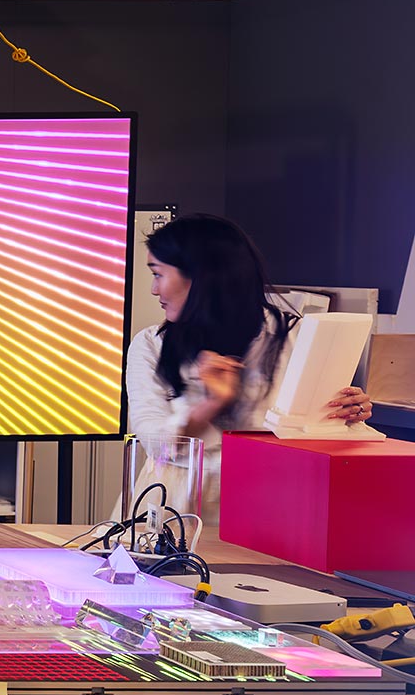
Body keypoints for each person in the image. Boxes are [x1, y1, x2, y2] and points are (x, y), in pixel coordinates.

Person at [128, 213, 371, 516]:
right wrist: (212, 403)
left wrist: (349, 416)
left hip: (271, 503)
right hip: (175, 507)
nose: (154, 289)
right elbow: (156, 445)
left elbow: (317, 439)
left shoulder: (297, 337)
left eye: (159, 274)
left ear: (201, 275)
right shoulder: (151, 344)